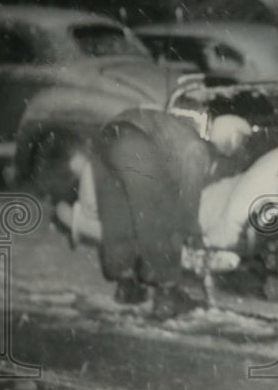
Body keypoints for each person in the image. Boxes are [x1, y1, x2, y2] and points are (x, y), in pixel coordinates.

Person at [75, 108, 253, 318]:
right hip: (133, 140)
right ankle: (167, 295)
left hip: (105, 139)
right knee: (157, 216)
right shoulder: (196, 150)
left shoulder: (179, 139)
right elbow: (187, 205)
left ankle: (127, 286)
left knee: (117, 215)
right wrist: (193, 235)